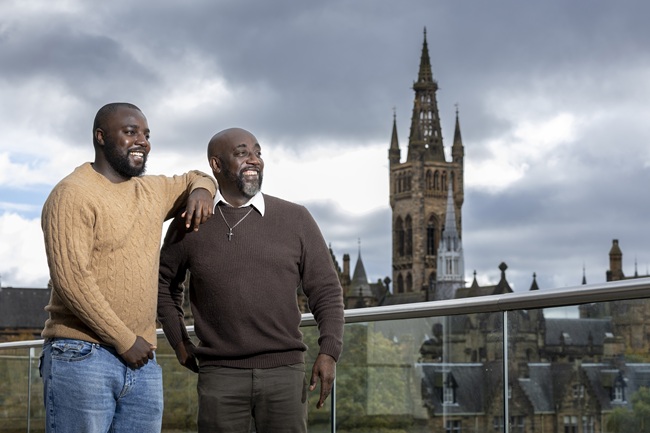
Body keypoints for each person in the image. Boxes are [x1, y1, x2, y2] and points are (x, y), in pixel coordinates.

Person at [39, 102, 217, 433]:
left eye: (147, 134)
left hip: (141, 360)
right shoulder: (72, 194)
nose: (143, 142)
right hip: (82, 356)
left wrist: (203, 192)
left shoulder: (152, 191)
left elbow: (199, 176)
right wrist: (123, 339)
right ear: (101, 137)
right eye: (131, 132)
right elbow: (71, 279)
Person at [157, 127, 345, 432]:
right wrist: (179, 341)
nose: (254, 159)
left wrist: (329, 351)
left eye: (257, 152)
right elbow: (163, 287)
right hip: (220, 376)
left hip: (285, 374)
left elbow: (326, 291)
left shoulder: (296, 218)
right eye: (242, 153)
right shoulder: (188, 224)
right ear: (216, 165)